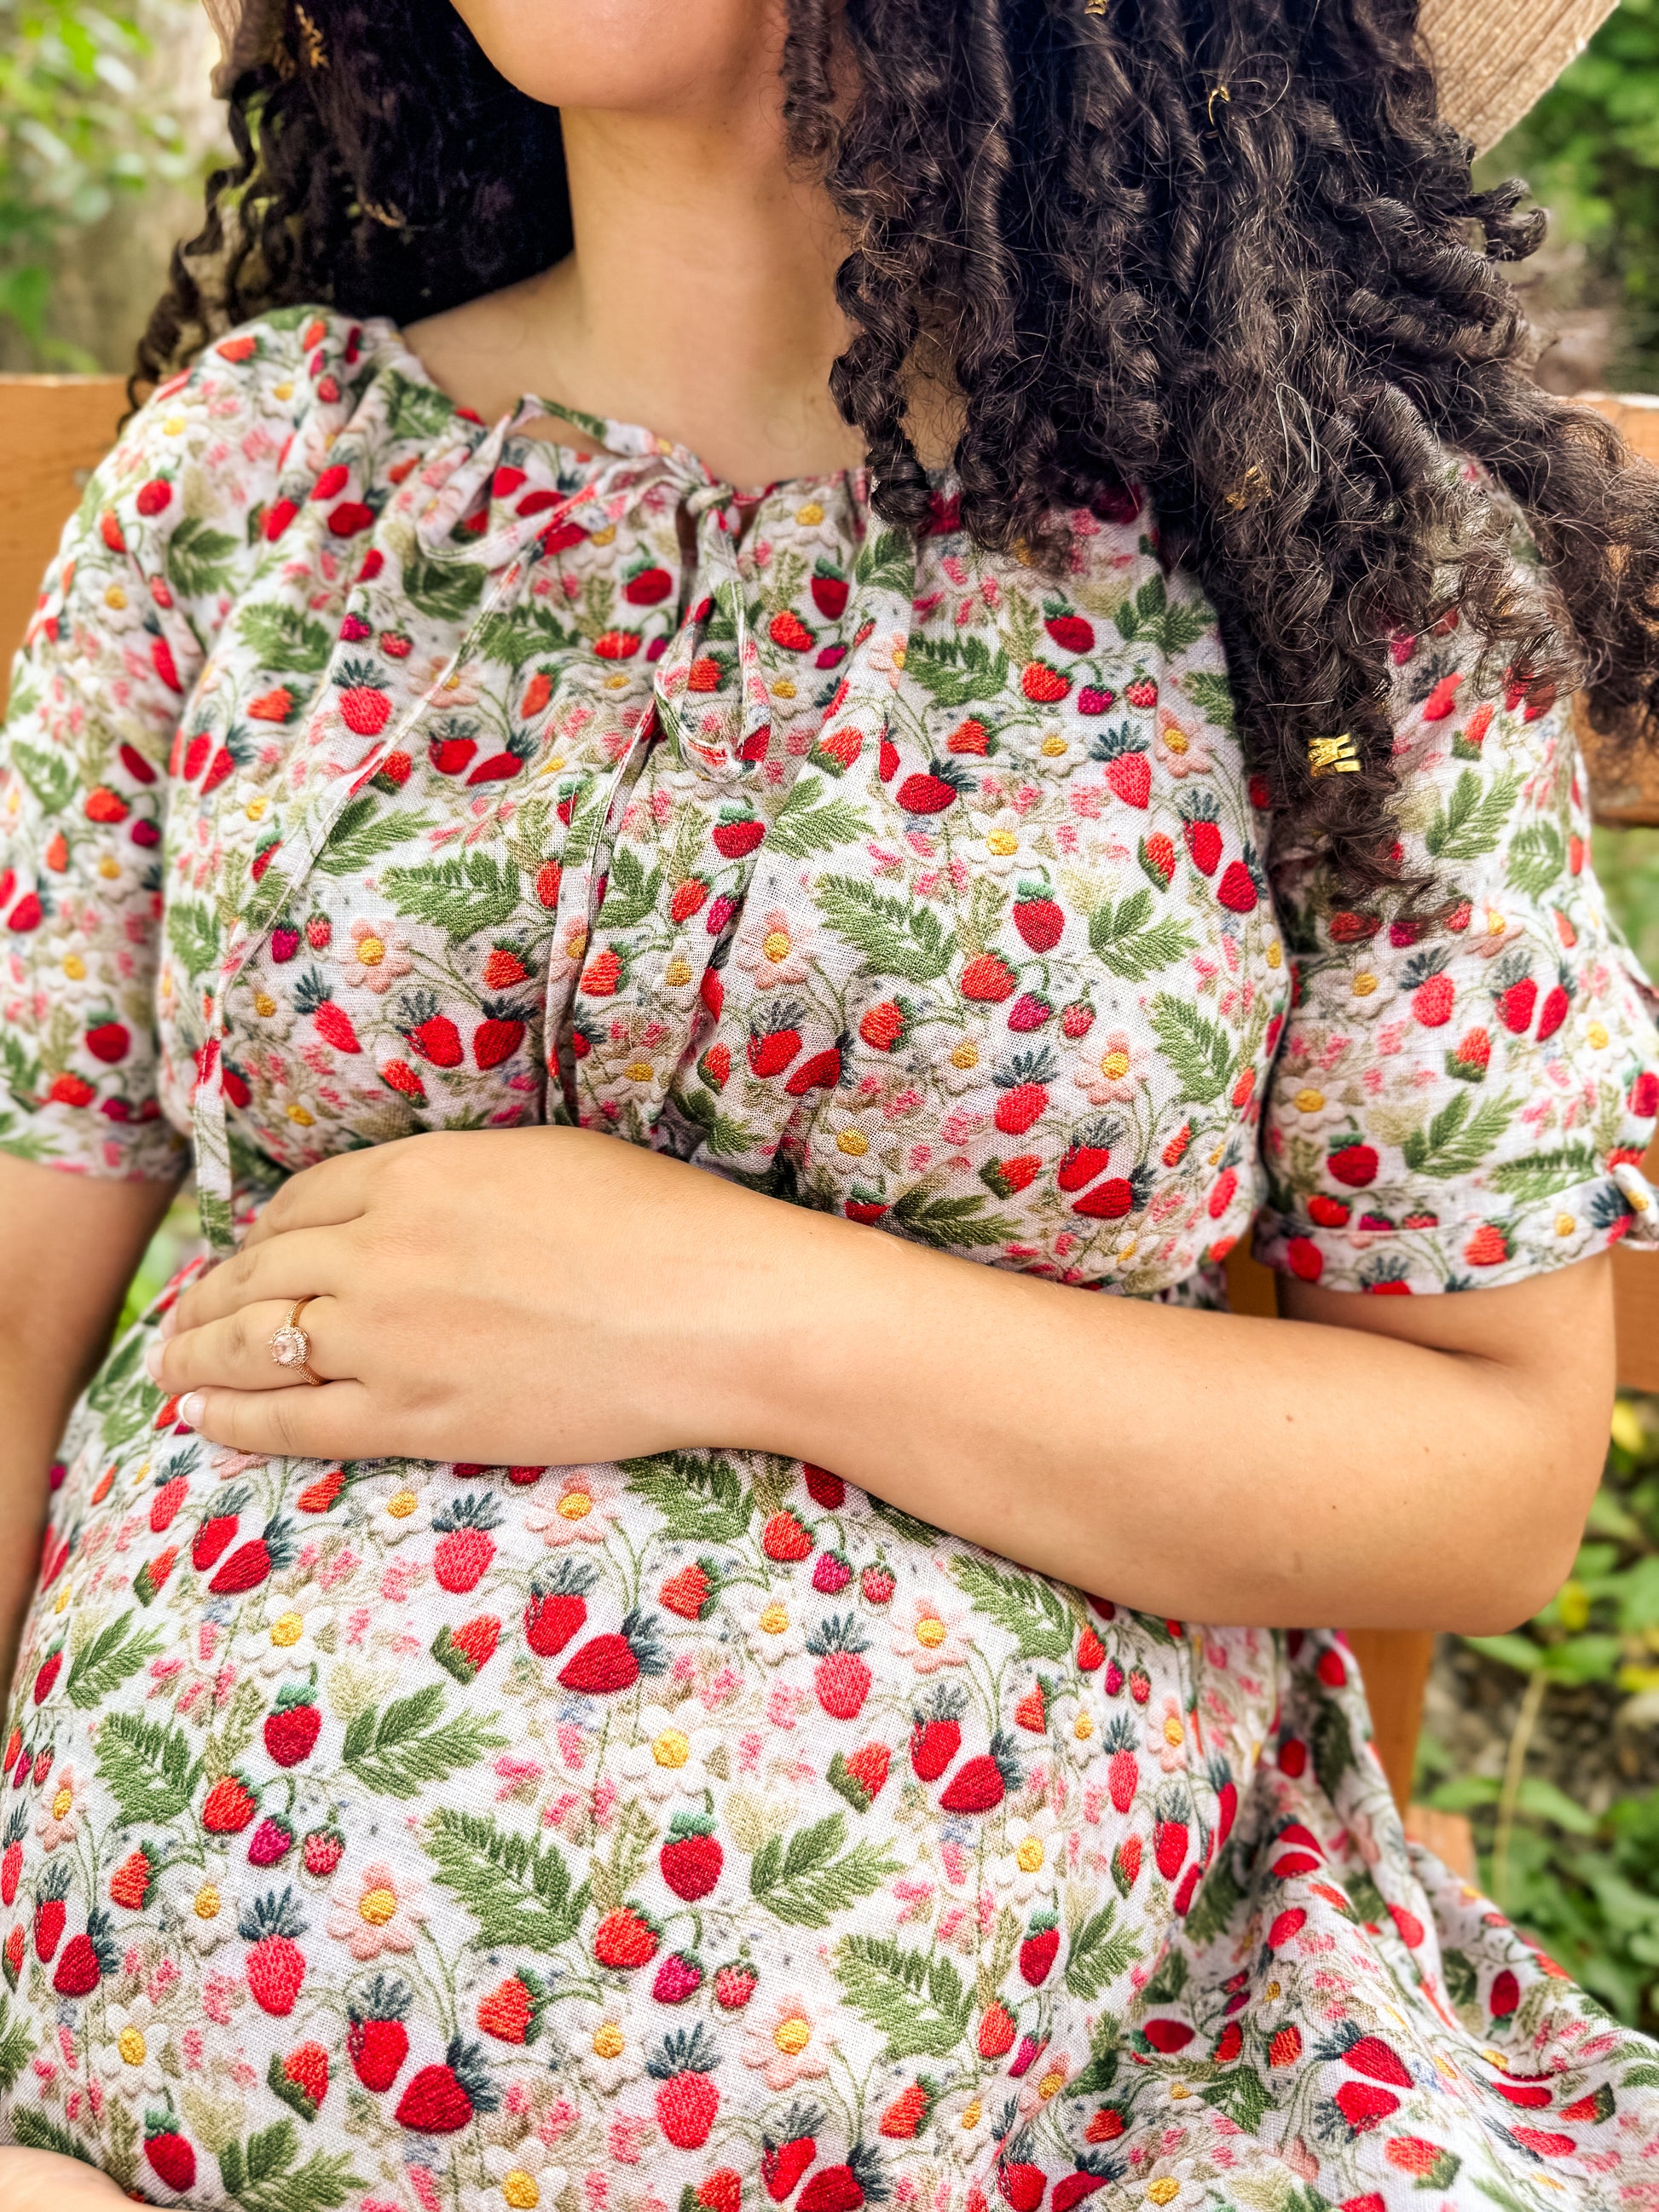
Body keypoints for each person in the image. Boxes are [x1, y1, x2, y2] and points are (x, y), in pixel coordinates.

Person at [3, 0, 1659, 2203]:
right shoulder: (245, 483)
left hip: (1058, 2128)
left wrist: (737, 1313)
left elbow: (1492, 1463)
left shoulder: (1320, 571)